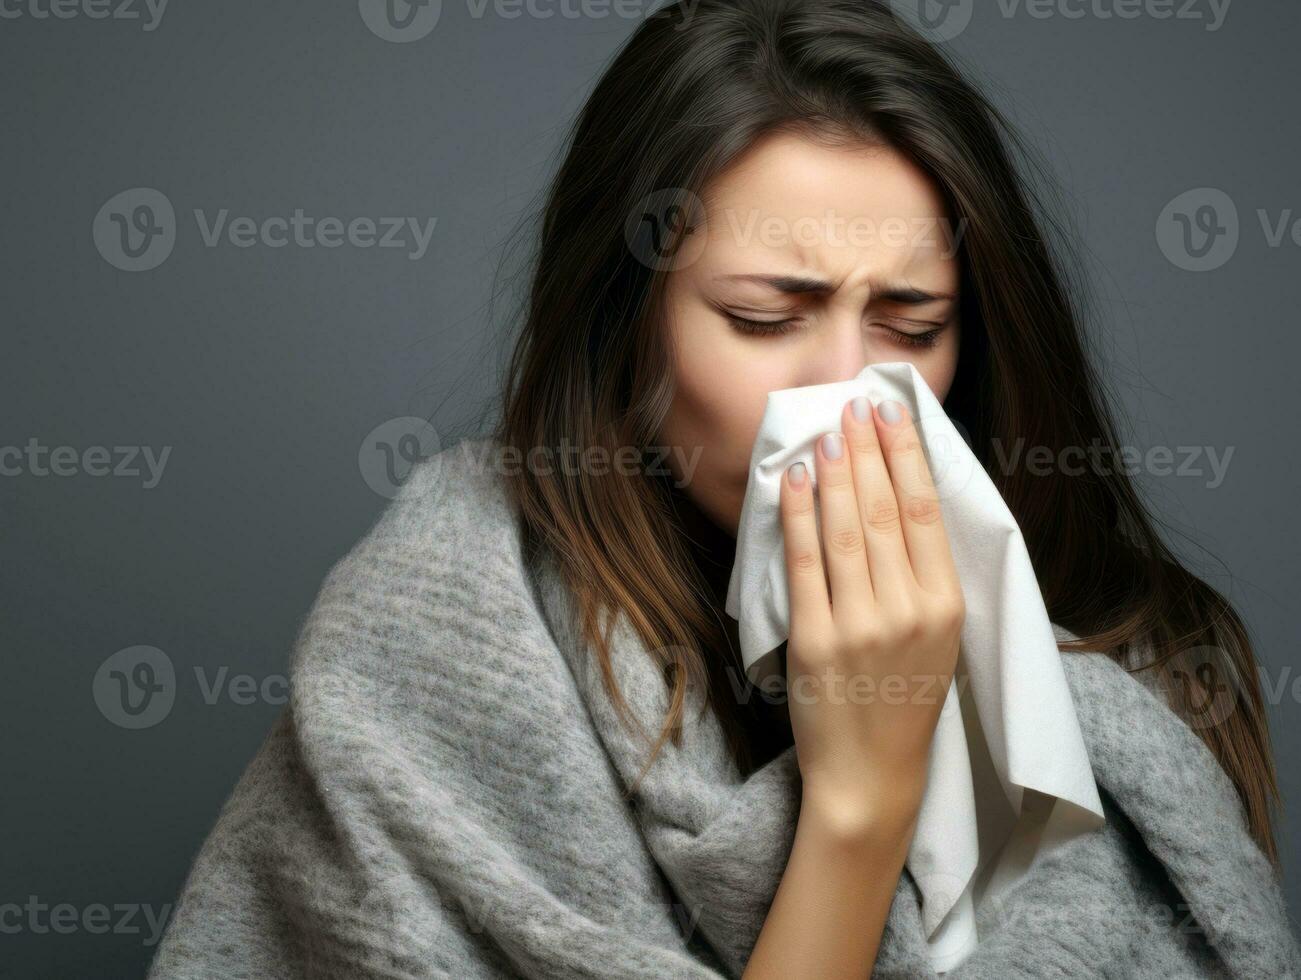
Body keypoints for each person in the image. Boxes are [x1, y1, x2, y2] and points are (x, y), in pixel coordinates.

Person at [147, 1, 1301, 976]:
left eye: (911, 325)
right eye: (764, 318)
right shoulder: (431, 643)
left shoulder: (1142, 657)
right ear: (627, 328)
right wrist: (856, 805)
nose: (847, 387)